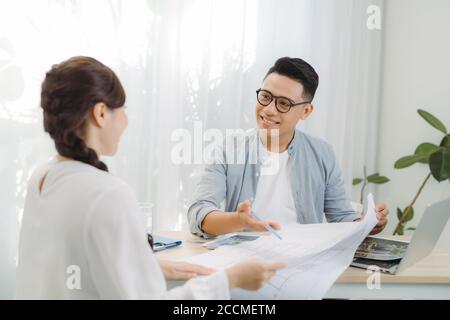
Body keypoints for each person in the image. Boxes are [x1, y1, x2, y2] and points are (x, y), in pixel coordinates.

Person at [15, 56, 284, 299]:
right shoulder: (107, 194)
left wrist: (142, 265)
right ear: (99, 113)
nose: (126, 121)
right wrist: (230, 279)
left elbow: (68, 267)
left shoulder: (42, 177)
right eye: (122, 109)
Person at [188, 57, 389, 239]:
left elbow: (341, 217)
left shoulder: (323, 153)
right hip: (245, 262)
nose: (268, 110)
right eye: (265, 96)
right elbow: (200, 213)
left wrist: (365, 225)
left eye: (284, 103)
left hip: (304, 260)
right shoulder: (227, 150)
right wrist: (239, 221)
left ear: (306, 111)